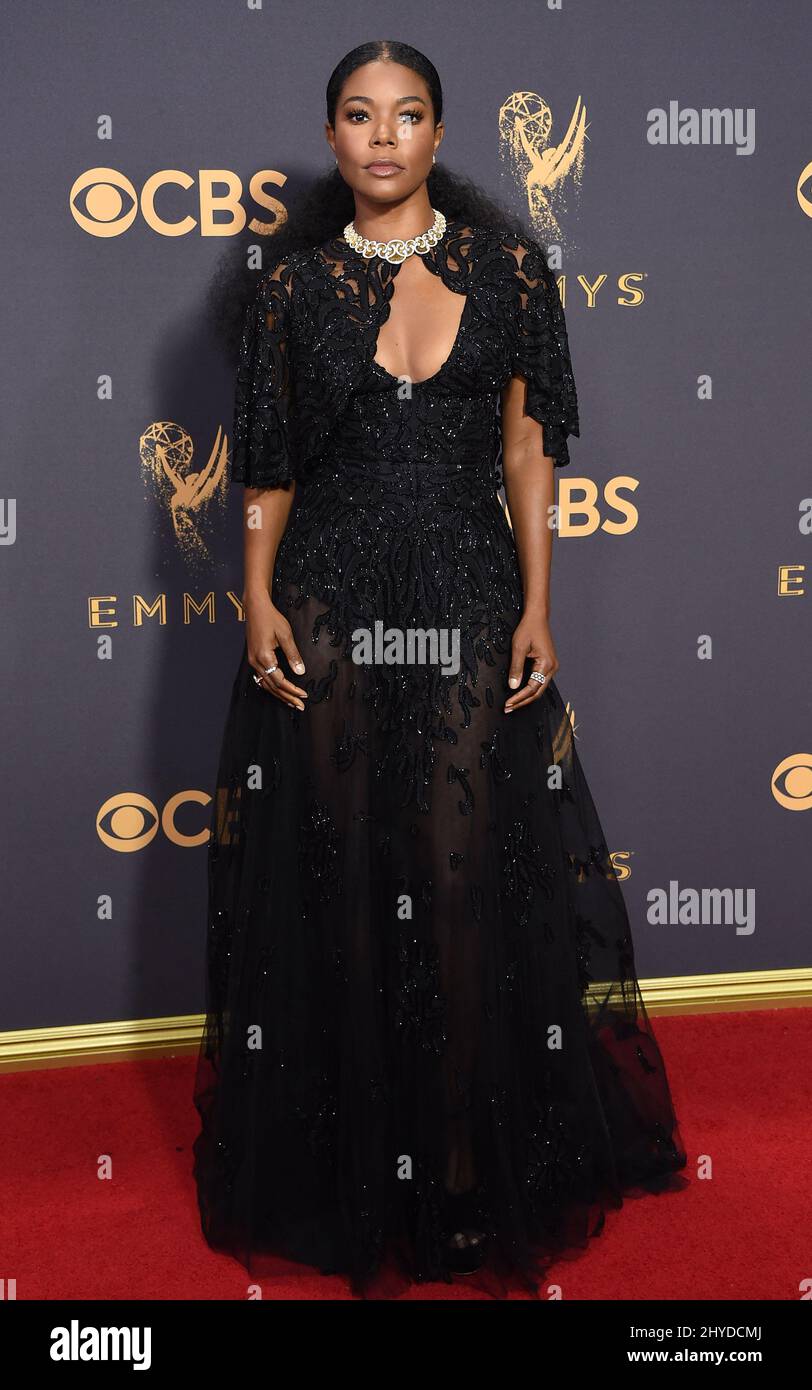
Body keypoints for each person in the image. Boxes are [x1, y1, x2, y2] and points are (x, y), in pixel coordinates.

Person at [192, 38, 687, 1300]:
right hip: (333, 601)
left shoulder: (514, 273)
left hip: (467, 596)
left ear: (437, 133)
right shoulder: (291, 292)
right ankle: (361, 1171)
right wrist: (253, 598)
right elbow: (266, 472)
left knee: (460, 886)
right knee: (347, 877)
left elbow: (529, 455)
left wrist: (536, 603)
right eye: (357, 116)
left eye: (405, 115)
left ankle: (464, 1168)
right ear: (331, 138)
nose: (381, 137)